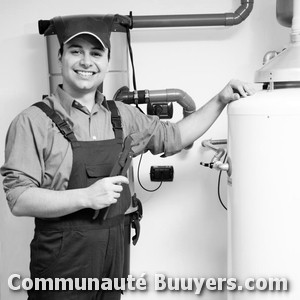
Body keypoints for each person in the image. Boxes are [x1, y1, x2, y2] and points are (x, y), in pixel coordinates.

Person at [1, 15, 255, 300]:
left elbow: (176, 136)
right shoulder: (32, 122)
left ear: (107, 62)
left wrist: (220, 99)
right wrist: (85, 197)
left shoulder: (122, 115)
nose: (87, 62)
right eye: (76, 51)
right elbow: (18, 198)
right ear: (59, 56)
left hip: (113, 258)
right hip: (62, 263)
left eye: (96, 53)